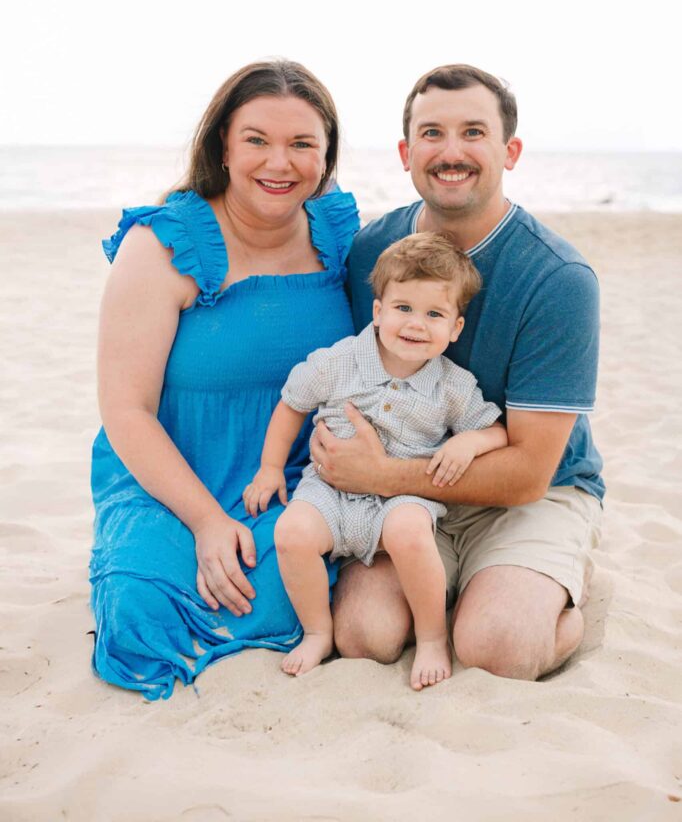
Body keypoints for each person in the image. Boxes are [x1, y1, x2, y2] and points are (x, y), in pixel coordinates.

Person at [311, 64, 604, 682]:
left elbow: (528, 473)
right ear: (406, 151)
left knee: (496, 648)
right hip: (407, 490)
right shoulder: (371, 251)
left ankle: (556, 594)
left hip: (531, 493)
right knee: (365, 637)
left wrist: (381, 473)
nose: (451, 152)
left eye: (474, 132)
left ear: (509, 150)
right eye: (432, 133)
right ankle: (468, 587)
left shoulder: (557, 279)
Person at [90, 60, 359, 699]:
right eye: (257, 140)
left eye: (302, 144)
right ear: (224, 147)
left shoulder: (340, 235)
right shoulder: (165, 244)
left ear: (325, 157)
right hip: (170, 479)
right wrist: (209, 522)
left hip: (291, 483)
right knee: (140, 622)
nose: (280, 162)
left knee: (281, 596)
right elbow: (125, 410)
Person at [243, 233, 506, 689]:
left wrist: (469, 443)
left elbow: (495, 429)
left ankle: (430, 639)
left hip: (403, 494)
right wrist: (270, 467)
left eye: (434, 314)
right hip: (330, 488)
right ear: (378, 311)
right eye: (403, 308)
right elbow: (293, 402)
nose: (416, 324)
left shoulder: (453, 386)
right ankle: (318, 632)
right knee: (292, 532)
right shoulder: (337, 362)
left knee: (409, 531)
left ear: (455, 329)